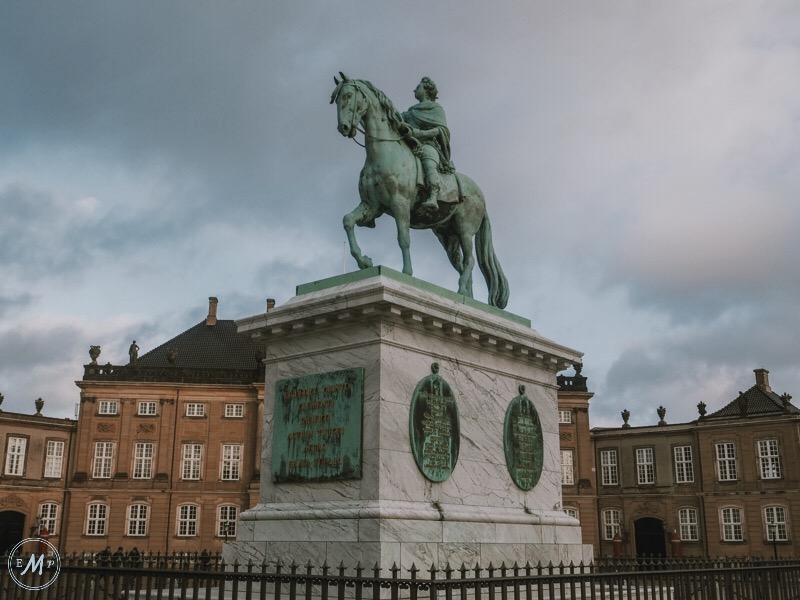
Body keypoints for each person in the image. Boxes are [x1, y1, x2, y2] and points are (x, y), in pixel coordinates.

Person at [401, 77, 454, 210]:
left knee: (428, 159)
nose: (414, 89)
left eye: (418, 87)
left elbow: (442, 130)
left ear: (426, 91)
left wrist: (421, 134)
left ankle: (433, 196)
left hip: (428, 145)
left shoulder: (436, 109)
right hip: (409, 144)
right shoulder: (411, 111)